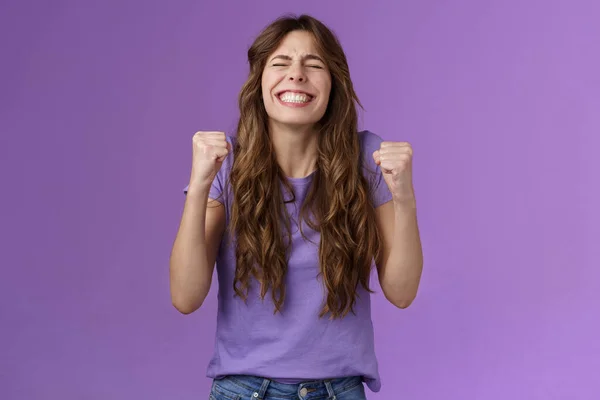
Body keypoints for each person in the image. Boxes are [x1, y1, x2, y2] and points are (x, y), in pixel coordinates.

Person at [170, 13, 423, 400]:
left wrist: (403, 196)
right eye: (281, 63)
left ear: (333, 84)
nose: (296, 75)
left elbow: (402, 292)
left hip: (339, 391)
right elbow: (186, 297)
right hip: (243, 391)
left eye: (314, 64)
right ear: (259, 83)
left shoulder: (367, 158)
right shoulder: (226, 164)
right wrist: (202, 183)